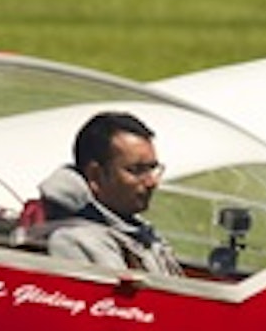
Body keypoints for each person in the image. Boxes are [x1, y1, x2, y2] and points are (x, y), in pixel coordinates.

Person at [36, 111, 183, 276]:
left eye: (152, 169)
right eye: (137, 170)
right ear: (95, 175)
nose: (151, 182)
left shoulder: (136, 231)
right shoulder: (74, 240)